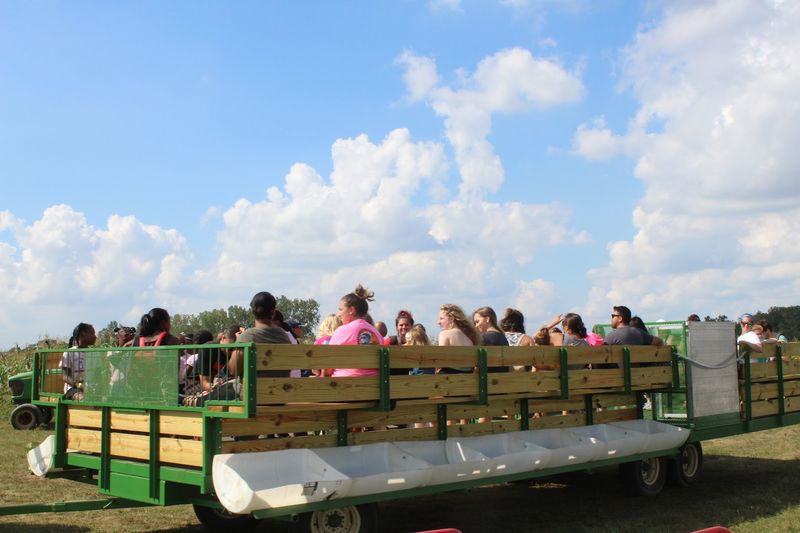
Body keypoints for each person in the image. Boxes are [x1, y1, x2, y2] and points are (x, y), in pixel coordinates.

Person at [329, 284, 384, 377]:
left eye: (341, 309)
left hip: (343, 387)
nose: (338, 314)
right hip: (374, 388)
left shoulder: (342, 331)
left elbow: (327, 363)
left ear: (351, 310)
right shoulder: (376, 333)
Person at [438, 304, 480, 374]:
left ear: (451, 318)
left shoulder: (444, 334)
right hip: (468, 380)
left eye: (441, 318)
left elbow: (440, 360)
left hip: (449, 379)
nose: (438, 322)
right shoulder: (470, 337)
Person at [61, 323, 96, 400]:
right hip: (73, 388)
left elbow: (98, 375)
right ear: (82, 334)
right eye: (92, 333)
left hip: (91, 388)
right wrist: (79, 385)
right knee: (83, 399)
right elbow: (65, 376)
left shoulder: (95, 352)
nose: (95, 336)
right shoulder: (69, 353)